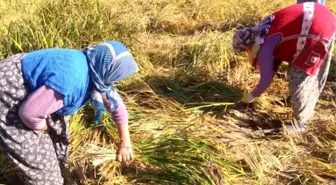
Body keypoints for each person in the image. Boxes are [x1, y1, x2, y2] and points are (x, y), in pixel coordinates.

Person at [0, 40, 138, 184]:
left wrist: (125, 143)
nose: (116, 81)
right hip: (8, 92)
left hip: (35, 92)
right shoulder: (73, 80)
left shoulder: (94, 68)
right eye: (117, 75)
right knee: (46, 176)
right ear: (108, 69)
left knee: (59, 137)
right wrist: (45, 127)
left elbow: (117, 107)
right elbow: (28, 114)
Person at [232, 2, 336, 132]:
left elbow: (266, 80)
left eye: (245, 50)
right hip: (323, 15)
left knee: (298, 77)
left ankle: (300, 124)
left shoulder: (264, 47)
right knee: (308, 73)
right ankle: (305, 102)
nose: (247, 53)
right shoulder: (262, 30)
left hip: (317, 28)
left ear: (247, 45)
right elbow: (276, 57)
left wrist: (249, 98)